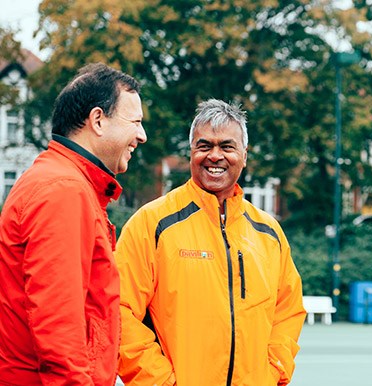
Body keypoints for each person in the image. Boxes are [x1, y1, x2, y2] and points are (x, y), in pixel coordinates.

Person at [115, 98, 306, 385]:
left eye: (227, 146)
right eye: (204, 146)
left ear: (244, 154)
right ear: (191, 152)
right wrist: (162, 381)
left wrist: (273, 371)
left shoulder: (268, 233)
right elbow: (119, 311)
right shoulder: (151, 224)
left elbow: (288, 311)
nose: (215, 156)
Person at [0, 63, 147, 385]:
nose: (142, 136)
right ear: (98, 120)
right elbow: (59, 329)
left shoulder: (63, 183)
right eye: (135, 122)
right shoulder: (63, 191)